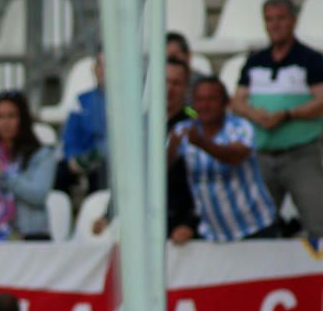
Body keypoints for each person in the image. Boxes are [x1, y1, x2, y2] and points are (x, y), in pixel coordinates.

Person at [230, 0, 323, 239]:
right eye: (270, 19)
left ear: (293, 20)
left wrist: (287, 114)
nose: (275, 25)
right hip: (262, 153)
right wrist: (255, 114)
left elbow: (321, 101)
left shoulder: (311, 59)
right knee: (257, 226)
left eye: (280, 18)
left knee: (317, 221)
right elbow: (237, 101)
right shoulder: (255, 60)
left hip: (301, 154)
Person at [93, 57, 199, 242]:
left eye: (176, 83)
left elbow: (205, 183)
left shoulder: (195, 123)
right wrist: (109, 214)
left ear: (186, 87)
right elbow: (127, 177)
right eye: (164, 81)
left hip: (185, 229)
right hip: (146, 227)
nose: (169, 88)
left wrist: (190, 223)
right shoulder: (139, 124)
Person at [169, 77, 277, 241]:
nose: (205, 105)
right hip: (213, 235)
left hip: (257, 228)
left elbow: (235, 157)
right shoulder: (181, 130)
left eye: (212, 99)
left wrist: (201, 143)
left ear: (226, 102)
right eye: (200, 100)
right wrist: (170, 150)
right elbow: (161, 172)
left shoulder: (241, 126)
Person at [0, 90, 57, 240]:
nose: (5, 122)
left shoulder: (42, 155)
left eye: (11, 116)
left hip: (30, 235)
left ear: (22, 119)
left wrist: (4, 175)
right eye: (0, 117)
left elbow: (38, 195)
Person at [54, 50, 106, 196]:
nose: (103, 70)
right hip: (83, 158)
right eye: (100, 65)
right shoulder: (82, 100)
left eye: (108, 65)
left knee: (101, 172)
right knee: (59, 173)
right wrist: (75, 158)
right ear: (94, 69)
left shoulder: (129, 102)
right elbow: (70, 136)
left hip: (108, 162)